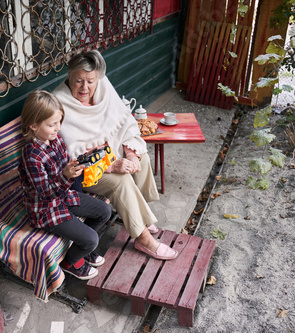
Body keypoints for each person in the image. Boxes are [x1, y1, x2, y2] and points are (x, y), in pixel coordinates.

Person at [53, 50, 178, 260]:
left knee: (141, 158)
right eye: (79, 81)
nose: (85, 87)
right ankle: (143, 238)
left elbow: (125, 122)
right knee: (120, 182)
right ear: (69, 76)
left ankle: (141, 216)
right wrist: (111, 166)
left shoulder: (103, 85)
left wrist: (129, 155)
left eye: (90, 81)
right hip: (84, 171)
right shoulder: (60, 102)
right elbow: (74, 157)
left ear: (98, 78)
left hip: (109, 152)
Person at [18, 90, 112, 280]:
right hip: (44, 211)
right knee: (92, 240)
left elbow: (64, 166)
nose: (57, 128)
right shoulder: (31, 157)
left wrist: (76, 166)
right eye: (52, 124)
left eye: (59, 122)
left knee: (104, 211)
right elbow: (46, 194)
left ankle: (82, 250)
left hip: (63, 197)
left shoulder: (56, 138)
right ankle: (70, 262)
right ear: (33, 125)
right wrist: (66, 176)